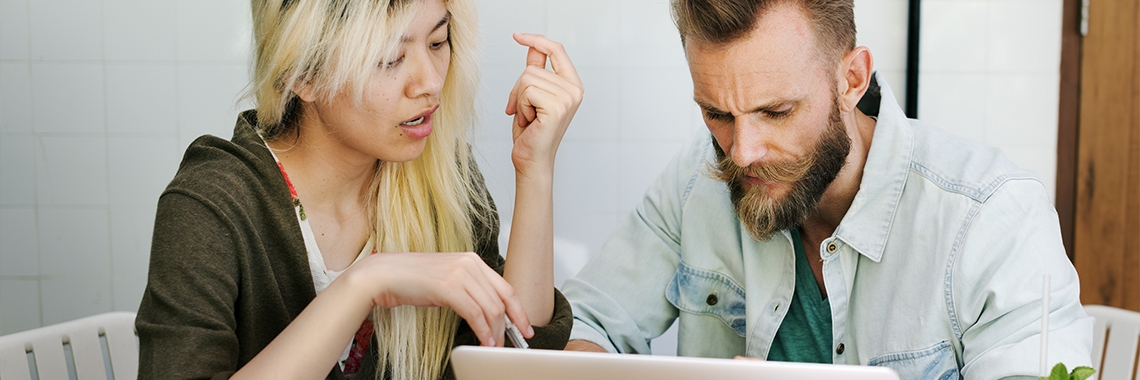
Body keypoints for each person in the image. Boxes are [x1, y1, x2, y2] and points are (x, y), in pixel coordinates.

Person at [561, 0, 1092, 378]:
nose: (743, 151)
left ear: (852, 79)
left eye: (777, 112)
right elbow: (582, 324)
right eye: (717, 114)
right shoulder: (696, 180)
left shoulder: (992, 218)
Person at [135, 0, 584, 378]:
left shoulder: (443, 180)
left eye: (437, 42)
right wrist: (365, 283)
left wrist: (535, 169)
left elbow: (511, 357)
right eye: (390, 59)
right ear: (303, 76)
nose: (429, 83)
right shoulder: (213, 203)